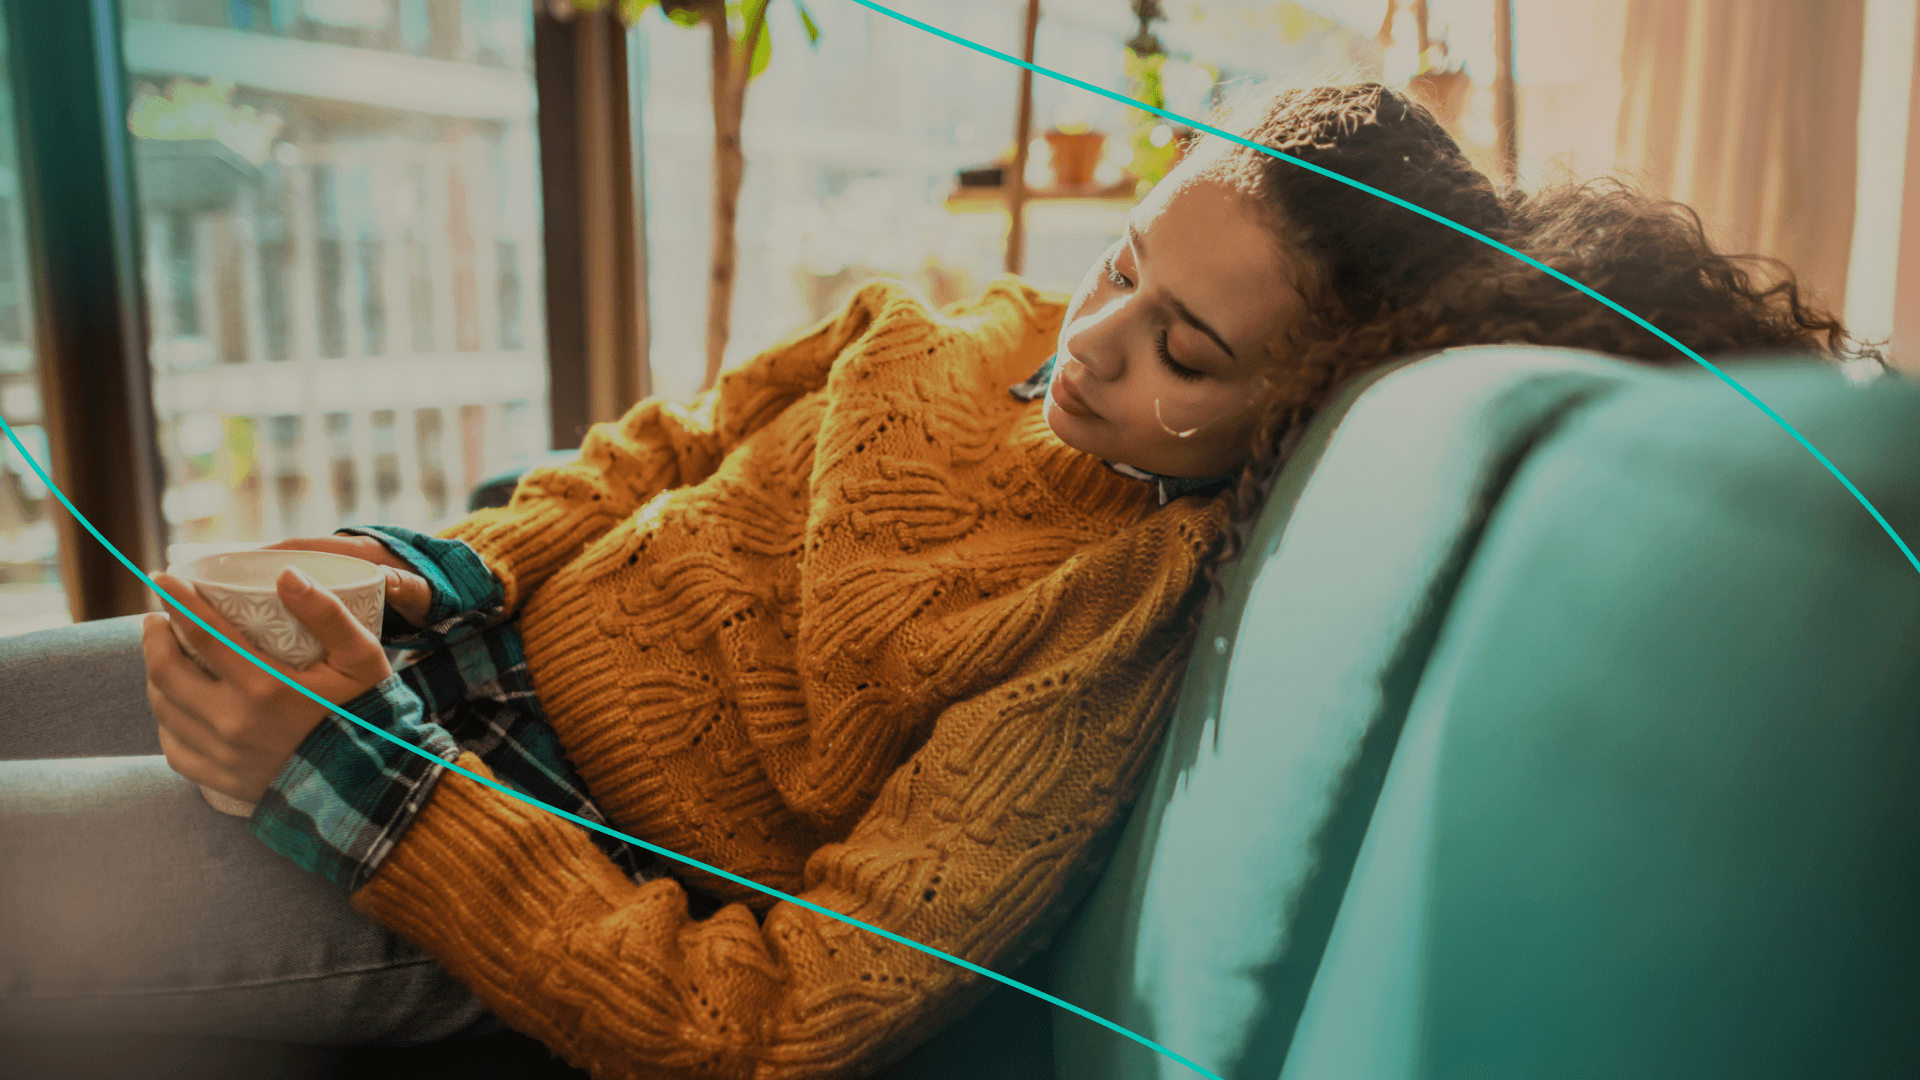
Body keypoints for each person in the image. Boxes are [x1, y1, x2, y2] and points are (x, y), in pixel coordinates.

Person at [0, 81, 1866, 1077]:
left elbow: (776, 1022)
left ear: (1289, 411)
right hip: (441, 659)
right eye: (1122, 263)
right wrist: (401, 575)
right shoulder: (962, 327)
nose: (1096, 344)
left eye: (1186, 356)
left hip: (471, 838)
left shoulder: (1097, 644)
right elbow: (650, 459)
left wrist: (360, 782)